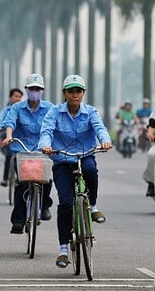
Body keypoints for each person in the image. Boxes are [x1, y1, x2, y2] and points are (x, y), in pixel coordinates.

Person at [38, 74, 112, 269]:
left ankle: (93, 206)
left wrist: (105, 140)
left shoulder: (91, 112)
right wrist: (45, 145)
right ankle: (63, 249)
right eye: (70, 91)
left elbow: (100, 128)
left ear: (83, 93)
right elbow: (46, 131)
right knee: (65, 203)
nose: (74, 95)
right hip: (61, 160)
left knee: (90, 170)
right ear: (64, 93)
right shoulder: (54, 112)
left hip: (84, 155)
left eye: (78, 91)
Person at [1, 74, 54, 234]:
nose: (34, 92)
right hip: (22, 151)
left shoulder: (50, 108)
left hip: (42, 151)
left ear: (42, 91)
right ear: (26, 90)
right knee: (22, 185)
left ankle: (44, 206)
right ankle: (18, 221)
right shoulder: (17, 107)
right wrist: (9, 136)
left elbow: (55, 124)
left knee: (46, 180)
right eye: (31, 88)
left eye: (37, 89)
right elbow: (10, 122)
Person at [0, 88, 23, 187]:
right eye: (16, 96)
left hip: (21, 139)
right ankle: (5, 179)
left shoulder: (23, 109)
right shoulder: (6, 110)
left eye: (19, 97)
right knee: (9, 155)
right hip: (9, 138)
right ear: (10, 98)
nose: (18, 99)